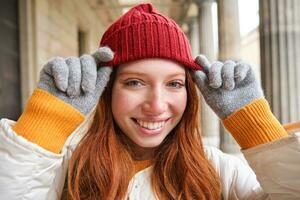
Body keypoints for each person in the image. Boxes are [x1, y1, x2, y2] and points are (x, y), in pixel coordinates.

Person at [0, 3, 299, 200]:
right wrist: (45, 123)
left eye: (174, 84)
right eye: (134, 82)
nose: (156, 105)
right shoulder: (66, 167)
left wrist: (254, 126)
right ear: (106, 89)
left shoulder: (220, 170)